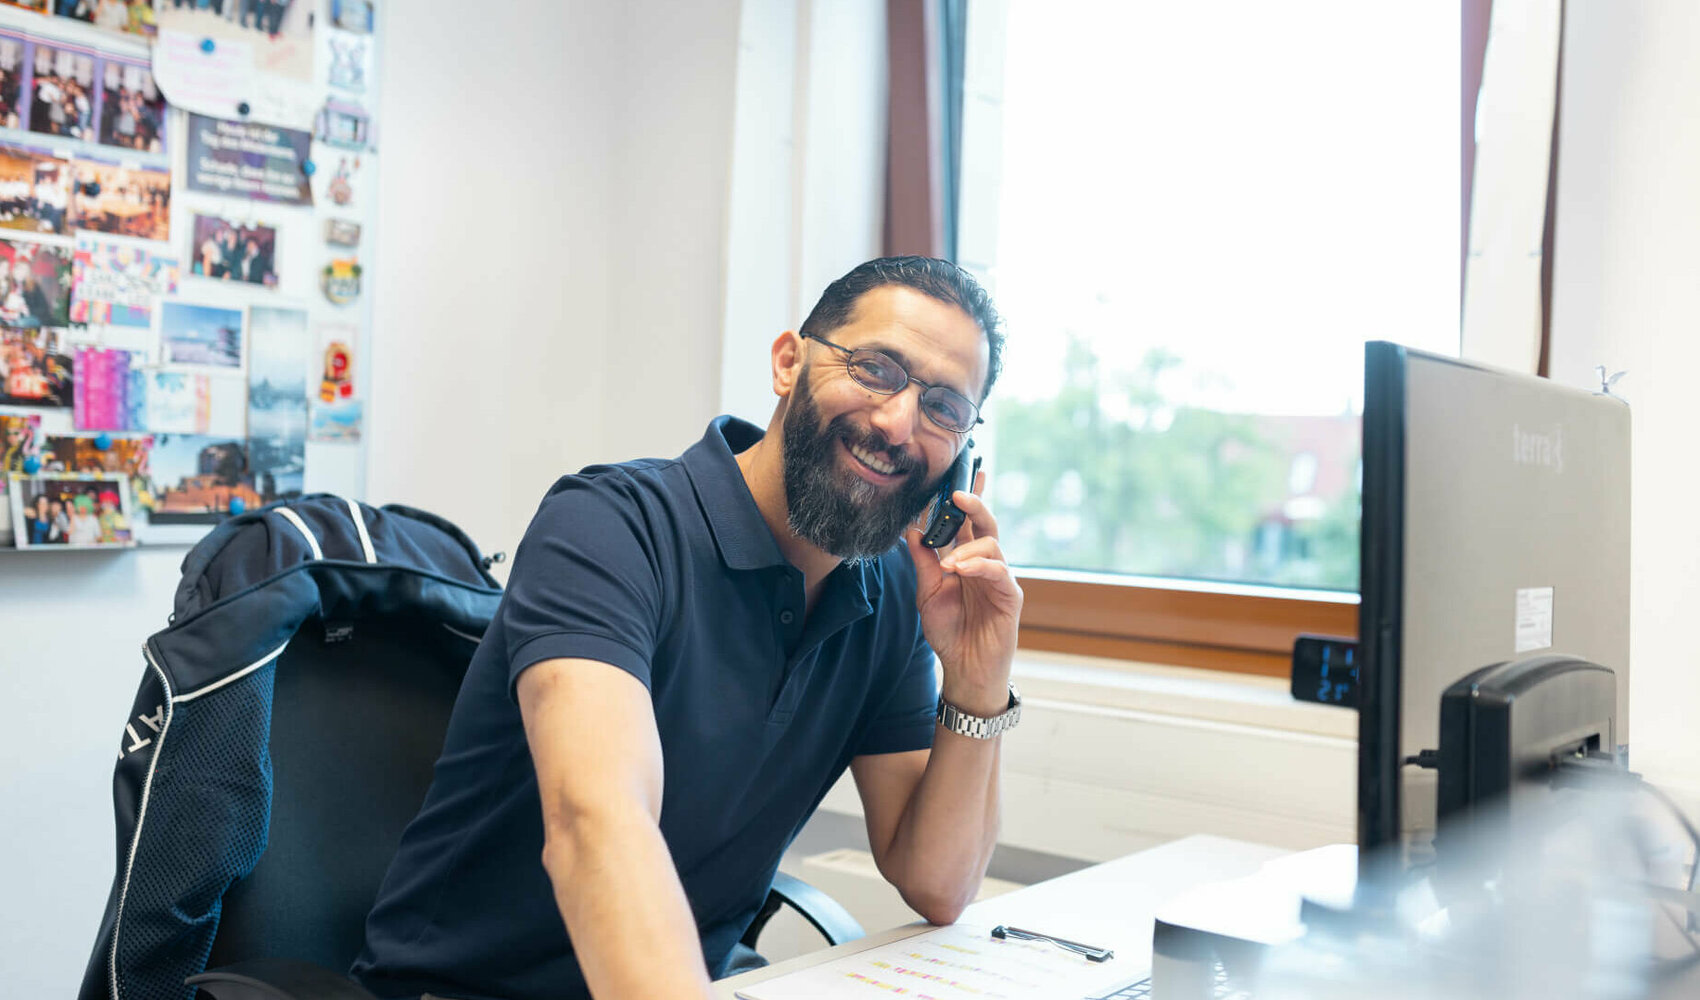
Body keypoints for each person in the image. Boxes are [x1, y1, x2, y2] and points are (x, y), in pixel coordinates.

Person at [352, 257, 1017, 1000]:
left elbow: (937, 882)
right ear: (788, 363)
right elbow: (596, 826)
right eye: (875, 369)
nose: (899, 425)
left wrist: (977, 678)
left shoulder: (894, 589)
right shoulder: (610, 527)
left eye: (944, 409)